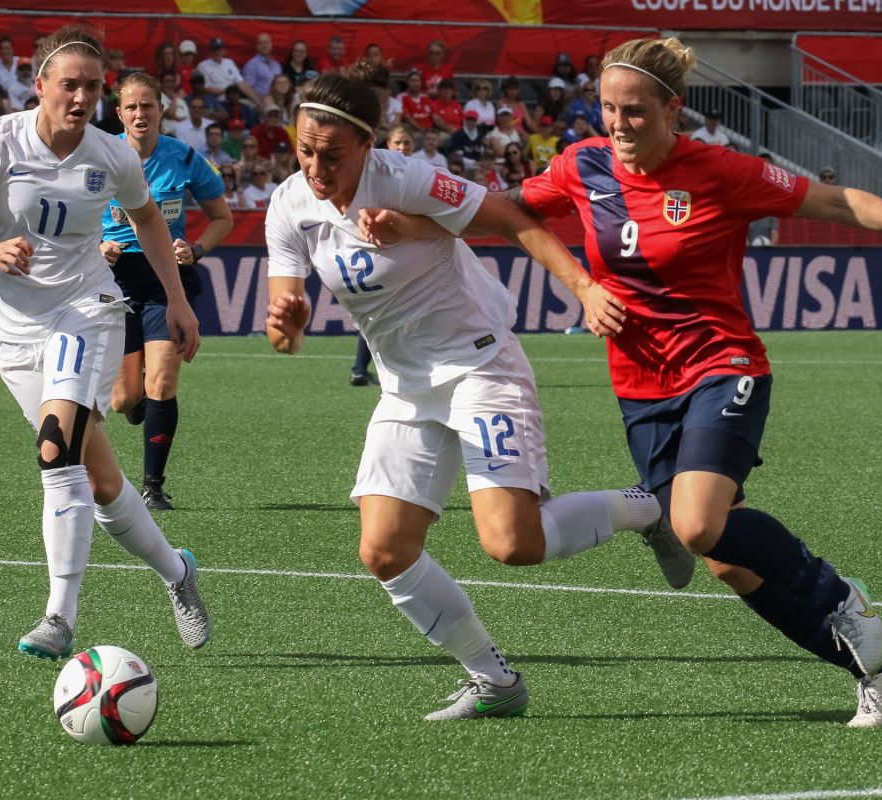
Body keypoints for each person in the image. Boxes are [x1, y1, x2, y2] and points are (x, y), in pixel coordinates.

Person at [371, 37, 882, 728]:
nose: (617, 124)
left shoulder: (719, 170)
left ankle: (841, 597)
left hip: (721, 365)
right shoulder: (581, 164)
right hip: (641, 387)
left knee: (696, 523)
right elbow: (498, 209)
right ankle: (872, 673)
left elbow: (837, 202)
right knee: (724, 560)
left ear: (674, 108)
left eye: (635, 112)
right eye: (608, 109)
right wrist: (411, 222)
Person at [264, 61, 693, 721]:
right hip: (405, 389)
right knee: (383, 550)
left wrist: (583, 289)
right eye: (305, 152)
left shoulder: (406, 179)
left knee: (512, 544)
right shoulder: (289, 205)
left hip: (480, 366)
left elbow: (514, 220)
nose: (316, 169)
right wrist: (285, 325)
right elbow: (284, 328)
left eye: (331, 155)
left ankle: (647, 509)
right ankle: (494, 680)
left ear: (368, 148)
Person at [0, 24, 211, 661]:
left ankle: (59, 617)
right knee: (102, 482)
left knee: (57, 453)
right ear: (39, 86)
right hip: (16, 332)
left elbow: (149, 221)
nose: (80, 97)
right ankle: (177, 572)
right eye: (69, 85)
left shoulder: (112, 155)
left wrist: (180, 300)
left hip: (87, 309)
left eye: (92, 87)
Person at [99, 71, 233, 509]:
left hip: (165, 282)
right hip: (115, 282)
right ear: (119, 114)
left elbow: (222, 218)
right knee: (122, 399)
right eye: (132, 107)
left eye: (148, 105)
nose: (141, 114)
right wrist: (97, 245)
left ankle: (153, 486)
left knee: (163, 378)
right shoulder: (98, 156)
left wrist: (195, 249)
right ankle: (133, 403)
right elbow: (73, 220)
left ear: (162, 109)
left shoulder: (185, 157)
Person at [244, 32, 284, 99]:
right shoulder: (251, 65)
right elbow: (249, 88)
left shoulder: (277, 65)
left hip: (278, 100)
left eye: (266, 42)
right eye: (261, 43)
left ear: (271, 45)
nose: (264, 45)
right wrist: (262, 100)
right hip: (260, 101)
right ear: (256, 46)